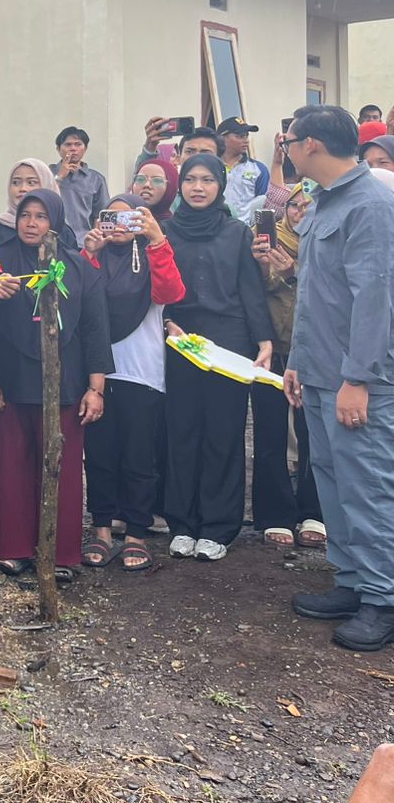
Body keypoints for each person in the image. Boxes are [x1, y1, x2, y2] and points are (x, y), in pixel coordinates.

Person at [283, 105, 394, 652]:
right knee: (333, 482)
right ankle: (352, 582)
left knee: (368, 488)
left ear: (312, 146)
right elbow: (317, 297)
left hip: (358, 380)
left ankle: (383, 599)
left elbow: (375, 300)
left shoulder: (372, 204)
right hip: (322, 372)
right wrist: (298, 362)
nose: (285, 147)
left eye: (289, 139)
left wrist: (358, 379)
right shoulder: (328, 201)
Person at [0, 190, 111, 579]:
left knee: (63, 469)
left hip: (66, 385)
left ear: (56, 221)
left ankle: (61, 554)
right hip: (8, 381)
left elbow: (94, 332)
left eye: (41, 216)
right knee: (8, 466)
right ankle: (11, 548)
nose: (31, 223)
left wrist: (95, 389)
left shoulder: (78, 267)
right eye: (25, 215)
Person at [161, 153, 274, 563]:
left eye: (207, 179)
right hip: (181, 340)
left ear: (220, 185)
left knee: (223, 433)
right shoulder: (167, 232)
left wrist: (263, 339)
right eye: (190, 179)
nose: (197, 187)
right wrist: (167, 323)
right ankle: (183, 523)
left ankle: (219, 526)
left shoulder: (236, 232)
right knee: (182, 431)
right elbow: (158, 288)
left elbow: (249, 289)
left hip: (228, 341)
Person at [80, 194, 184, 571]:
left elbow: (171, 293)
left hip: (142, 369)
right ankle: (103, 527)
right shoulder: (96, 256)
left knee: (140, 456)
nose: (120, 226)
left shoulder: (152, 253)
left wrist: (157, 239)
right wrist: (89, 253)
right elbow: (80, 304)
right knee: (100, 454)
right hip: (98, 371)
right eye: (112, 218)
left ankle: (137, 531)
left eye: (130, 219)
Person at [252, 184, 325, 549]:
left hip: (315, 351)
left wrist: (294, 270)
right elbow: (252, 291)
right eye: (293, 205)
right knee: (270, 432)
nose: (300, 212)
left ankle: (315, 510)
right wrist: (265, 265)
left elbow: (328, 290)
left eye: (307, 205)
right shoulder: (266, 240)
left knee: (315, 434)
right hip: (273, 350)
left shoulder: (327, 239)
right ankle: (273, 514)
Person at [0, 159, 58, 260]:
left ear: (47, 184)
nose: (23, 188)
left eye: (31, 182)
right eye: (16, 182)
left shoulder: (61, 230)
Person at [51, 126, 110, 244]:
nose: (73, 149)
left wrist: (95, 241)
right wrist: (59, 177)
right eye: (68, 145)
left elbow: (100, 215)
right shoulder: (47, 173)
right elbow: (41, 201)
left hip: (83, 244)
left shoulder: (96, 179)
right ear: (58, 149)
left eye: (78, 144)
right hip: (52, 241)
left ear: (85, 148)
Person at [216, 117, 270, 223]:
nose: (246, 140)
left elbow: (263, 203)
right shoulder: (210, 167)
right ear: (222, 138)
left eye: (246, 136)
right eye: (240, 136)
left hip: (247, 231)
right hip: (216, 229)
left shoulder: (258, 169)